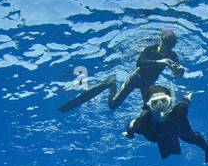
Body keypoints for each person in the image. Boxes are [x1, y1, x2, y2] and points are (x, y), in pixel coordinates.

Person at [58, 28, 186, 113]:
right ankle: (111, 83)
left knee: (149, 110)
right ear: (161, 41)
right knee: (113, 106)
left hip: (148, 84)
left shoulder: (173, 56)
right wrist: (160, 61)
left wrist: (179, 71)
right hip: (136, 79)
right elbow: (139, 63)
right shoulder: (151, 49)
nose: (168, 49)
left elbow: (177, 74)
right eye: (166, 45)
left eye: (171, 46)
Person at [124, 85, 208, 163]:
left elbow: (185, 100)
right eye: (155, 104)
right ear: (149, 106)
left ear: (170, 102)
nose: (160, 107)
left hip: (178, 130)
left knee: (189, 136)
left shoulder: (179, 111)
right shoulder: (142, 123)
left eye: (164, 102)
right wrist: (129, 133)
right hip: (156, 135)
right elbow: (130, 126)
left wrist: (189, 95)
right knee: (173, 139)